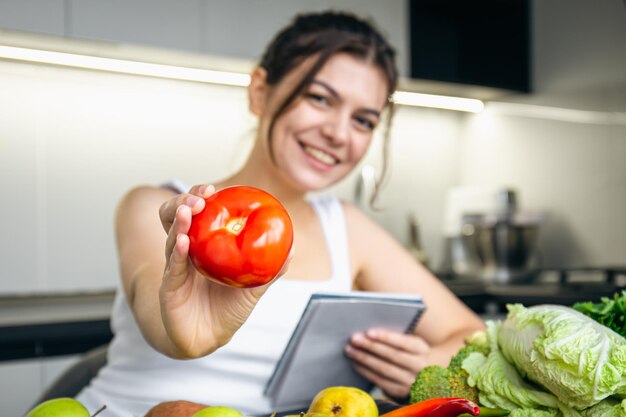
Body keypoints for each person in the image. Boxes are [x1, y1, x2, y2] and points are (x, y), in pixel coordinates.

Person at [75, 10, 485, 417]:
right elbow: (159, 314)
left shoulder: (347, 228)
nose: (339, 133)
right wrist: (186, 334)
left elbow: (472, 336)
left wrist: (426, 365)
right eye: (320, 98)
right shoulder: (159, 207)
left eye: (363, 120)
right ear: (260, 91)